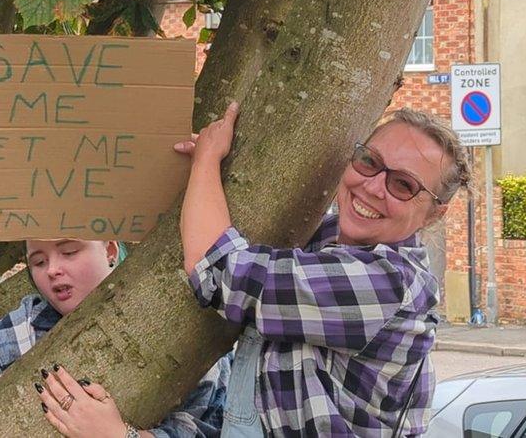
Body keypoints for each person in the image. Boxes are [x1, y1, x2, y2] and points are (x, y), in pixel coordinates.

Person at [175, 104, 471, 436]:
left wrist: (207, 160)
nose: (372, 188)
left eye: (403, 185)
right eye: (369, 162)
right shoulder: (327, 239)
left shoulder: (387, 282)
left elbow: (219, 272)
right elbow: (269, 413)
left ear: (434, 214)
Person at [0, 239, 232, 438]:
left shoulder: (176, 318)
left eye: (69, 251)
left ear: (111, 249)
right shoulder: (32, 320)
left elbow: (208, 427)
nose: (52, 270)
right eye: (38, 261)